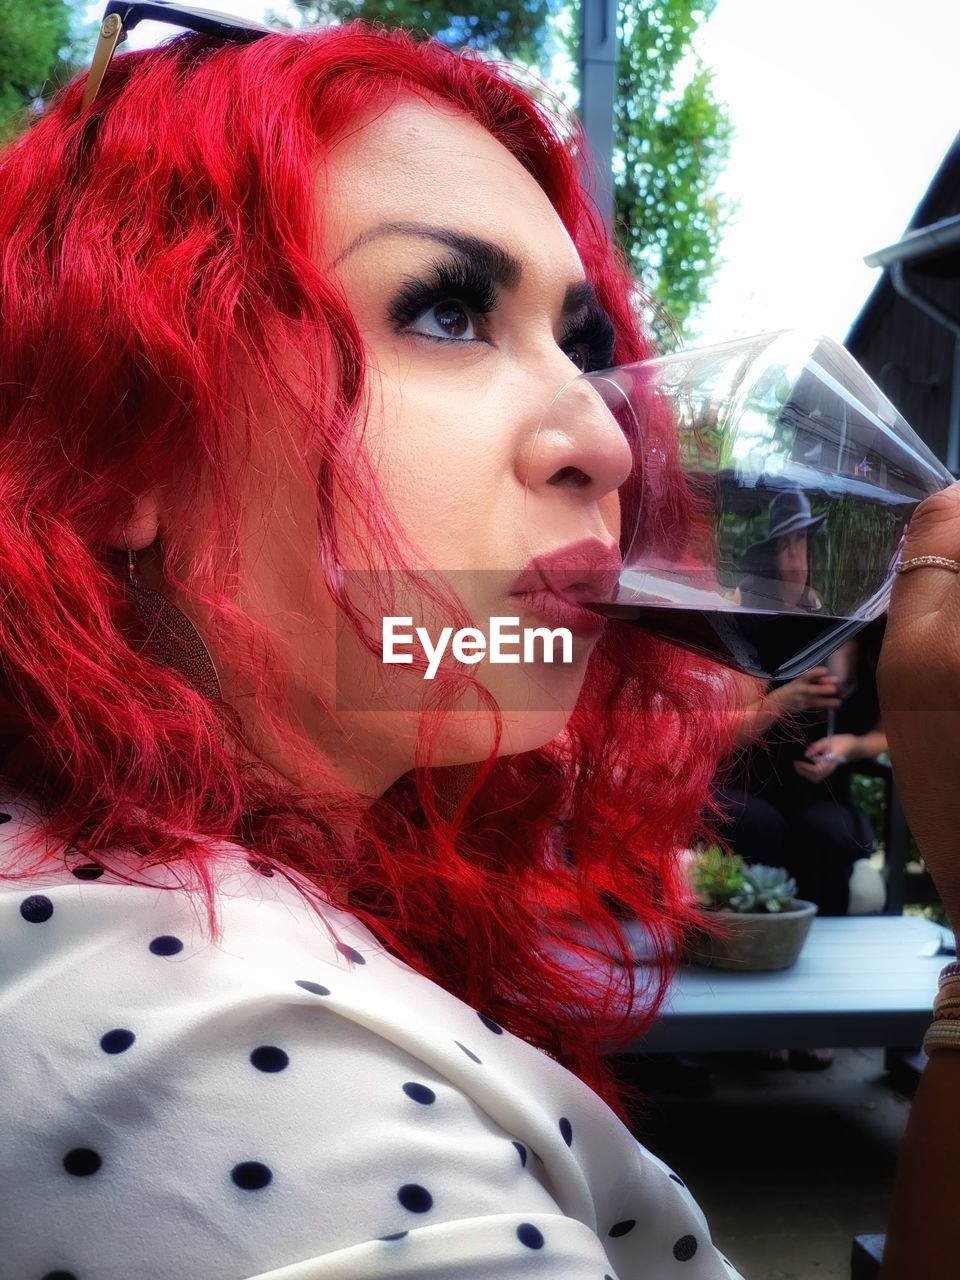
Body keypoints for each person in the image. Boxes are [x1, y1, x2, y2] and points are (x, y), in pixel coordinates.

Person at [0, 12, 957, 1280]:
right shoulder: (217, 1059)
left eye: (583, 343)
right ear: (120, 439)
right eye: (447, 312)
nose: (609, 444)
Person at [717, 621, 888, 918]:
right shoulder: (765, 639)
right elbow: (725, 731)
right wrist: (780, 702)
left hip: (824, 794)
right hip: (752, 785)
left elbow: (886, 733)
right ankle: (755, 933)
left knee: (826, 830)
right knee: (757, 823)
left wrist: (851, 746)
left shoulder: (877, 649)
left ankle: (818, 938)